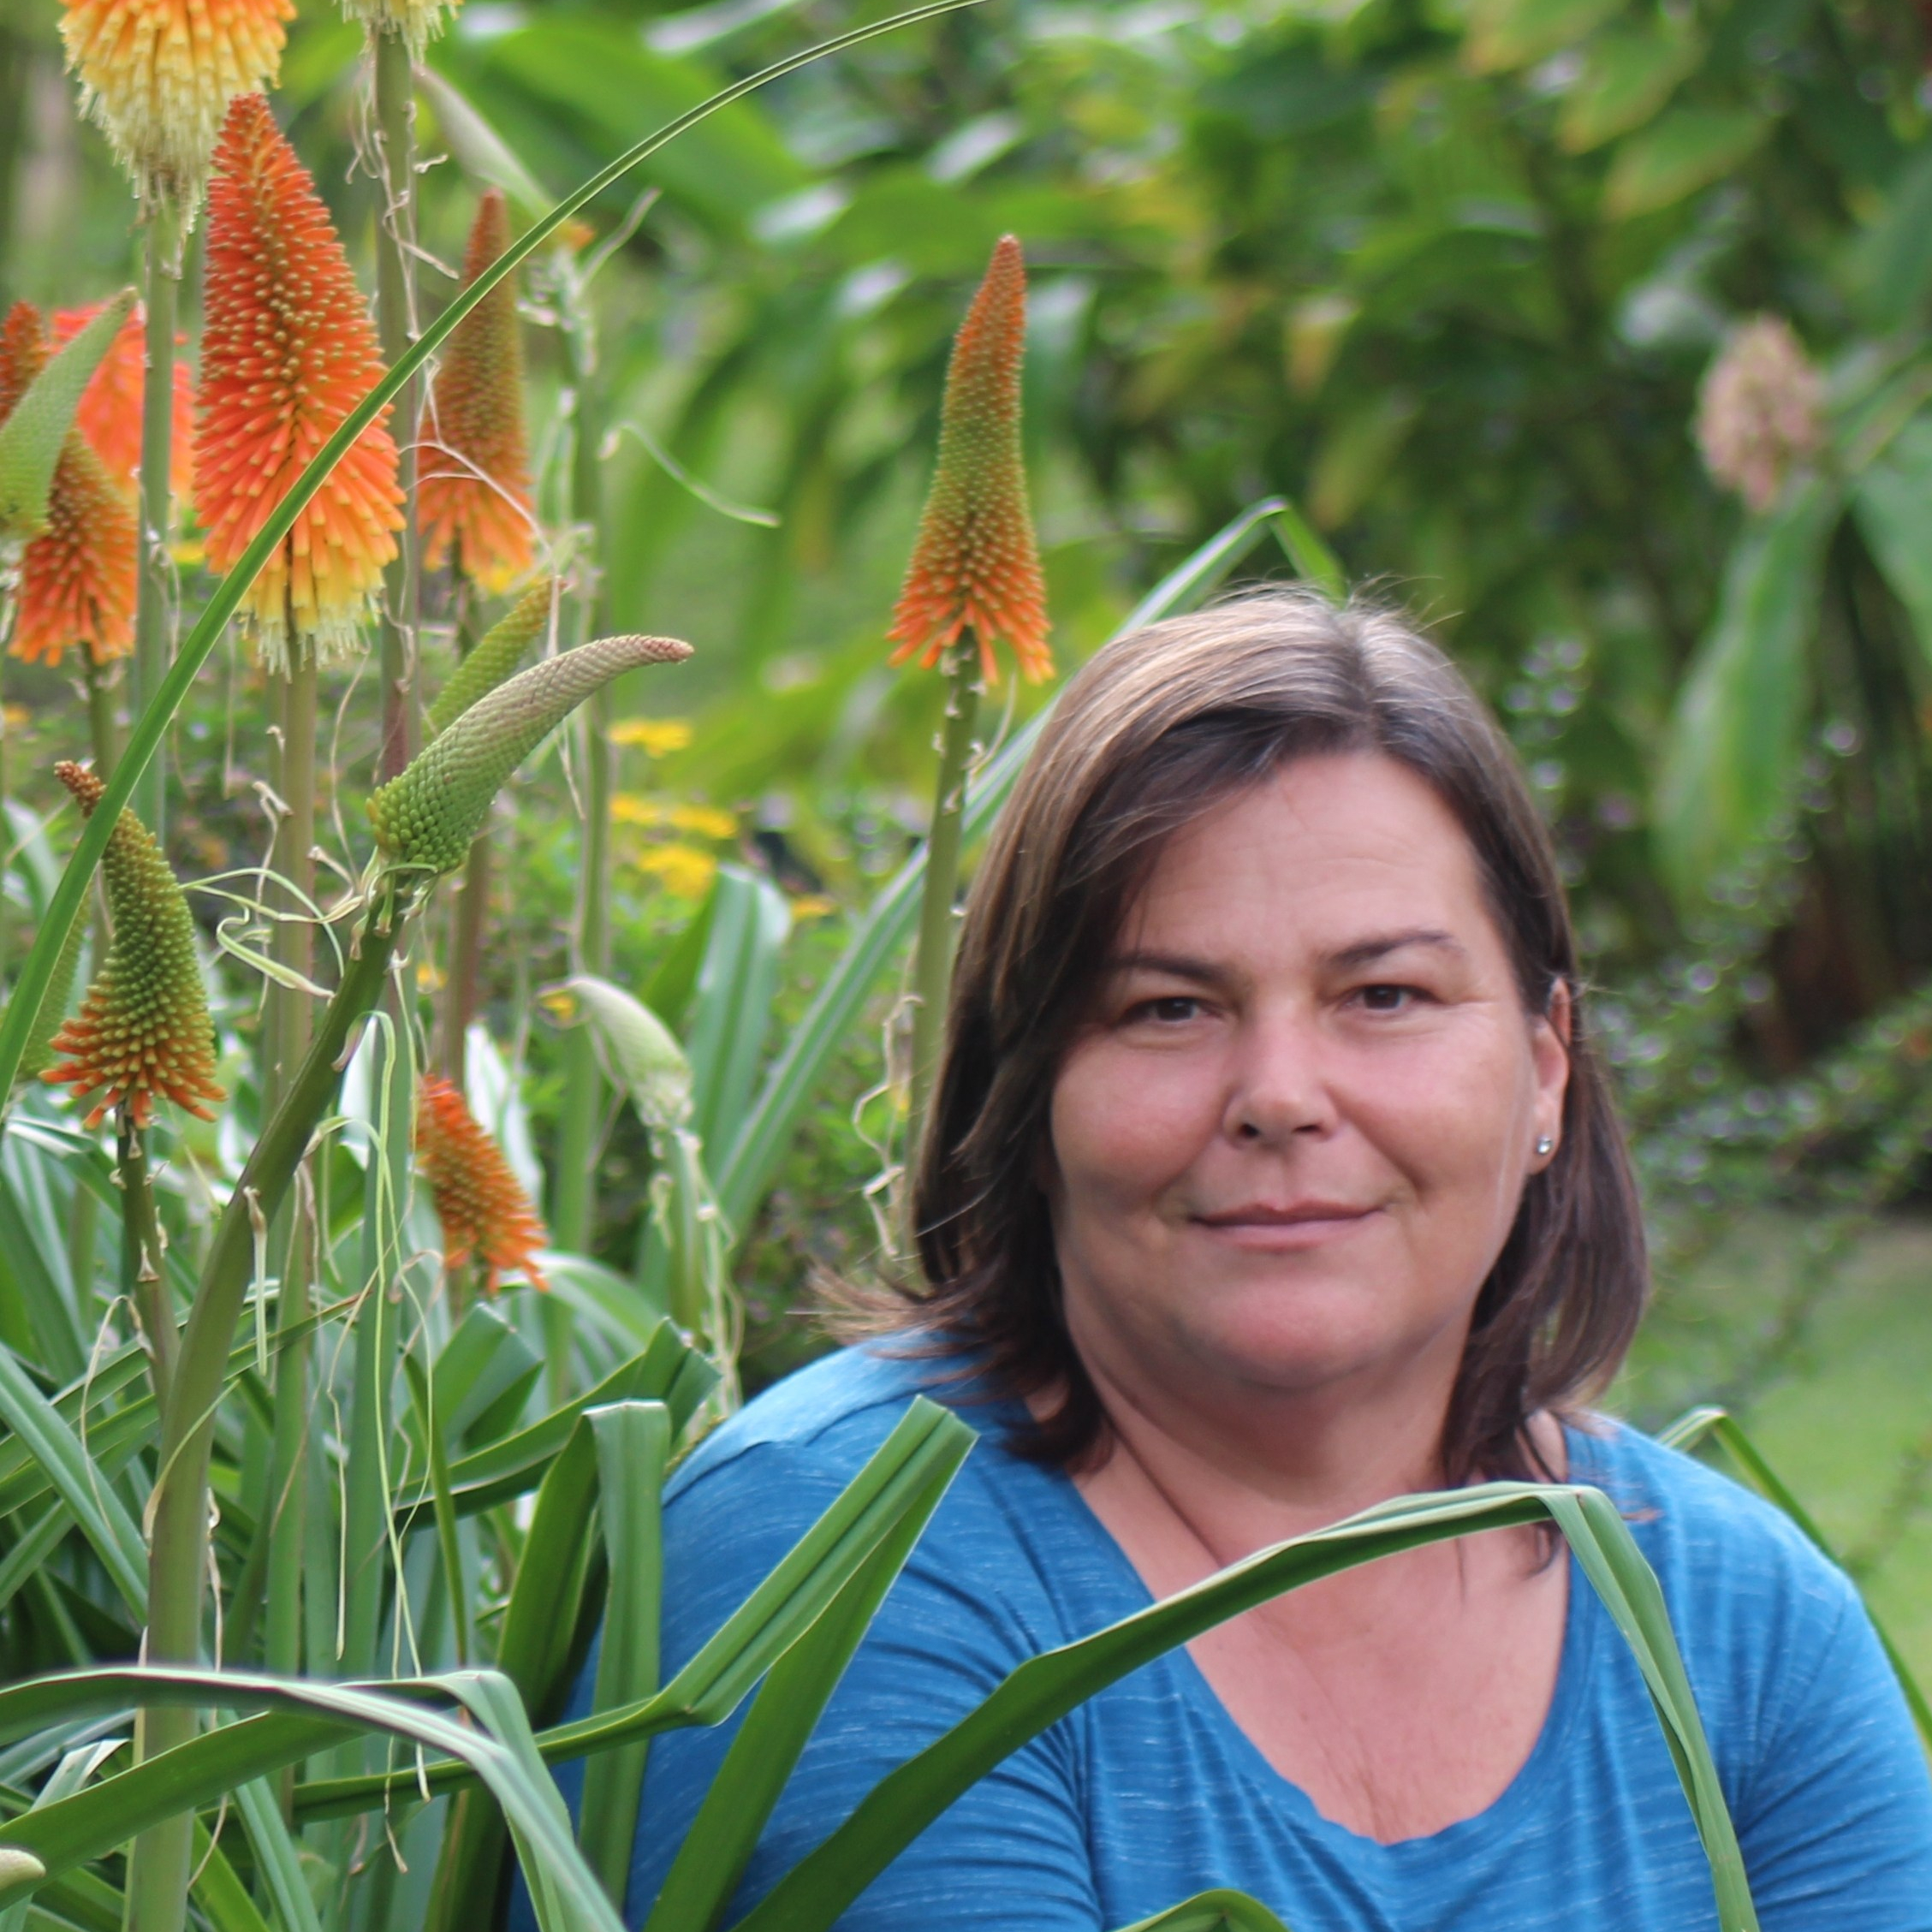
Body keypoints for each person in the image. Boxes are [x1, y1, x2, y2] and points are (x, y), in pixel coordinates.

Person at [556, 591, 1932, 1929]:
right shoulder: (837, 1560)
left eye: (1383, 994)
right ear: (1026, 1095)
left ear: (1544, 1072)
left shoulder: (1741, 1629)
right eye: (1167, 1007)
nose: (1278, 1093)